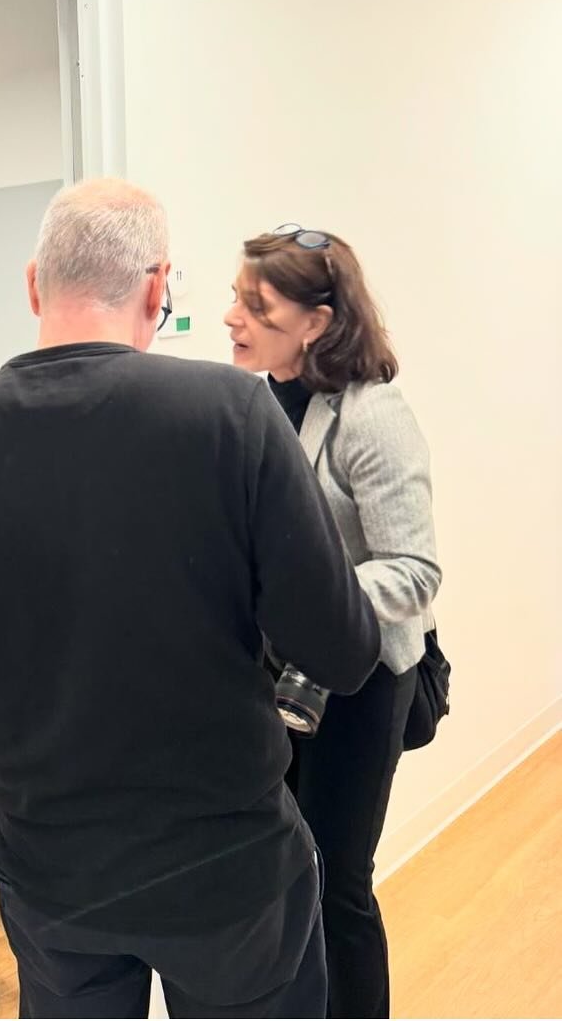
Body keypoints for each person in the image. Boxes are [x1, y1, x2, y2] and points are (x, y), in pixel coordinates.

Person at [0, 179, 382, 1019]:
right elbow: (342, 648)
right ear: (158, 289)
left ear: (34, 284)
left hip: (53, 873)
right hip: (227, 872)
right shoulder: (233, 413)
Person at [223, 225, 441, 1018]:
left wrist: (305, 600)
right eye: (236, 298)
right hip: (272, 681)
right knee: (282, 868)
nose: (232, 317)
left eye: (257, 304)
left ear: (316, 321)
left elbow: (414, 571)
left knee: (337, 879)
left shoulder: (372, 415)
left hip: (356, 684)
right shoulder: (246, 401)